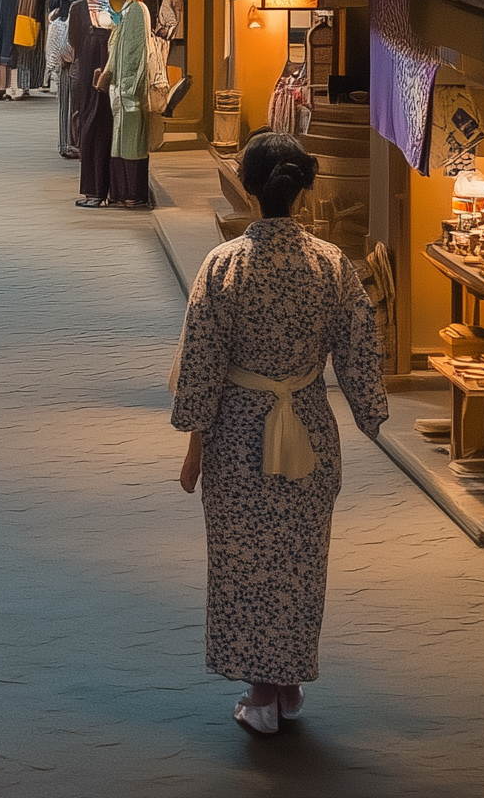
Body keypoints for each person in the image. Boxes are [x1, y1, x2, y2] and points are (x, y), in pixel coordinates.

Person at [169, 132, 386, 734]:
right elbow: (360, 347)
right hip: (310, 431)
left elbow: (202, 363)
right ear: (304, 191)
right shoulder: (331, 264)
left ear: (248, 187)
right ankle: (286, 681)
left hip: (238, 433)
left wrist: (194, 445)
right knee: (298, 562)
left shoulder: (224, 265)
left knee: (245, 563)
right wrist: (370, 414)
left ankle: (262, 694)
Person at [104, 0, 155, 207]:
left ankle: (131, 193)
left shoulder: (134, 10)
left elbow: (134, 51)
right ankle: (124, 192)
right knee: (123, 139)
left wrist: (126, 85)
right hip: (122, 88)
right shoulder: (128, 8)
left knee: (130, 141)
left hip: (128, 88)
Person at [65, 0, 114, 191]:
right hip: (111, 68)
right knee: (107, 121)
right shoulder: (114, 4)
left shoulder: (79, 9)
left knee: (89, 120)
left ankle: (93, 187)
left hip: (87, 69)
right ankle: (108, 185)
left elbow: (73, 41)